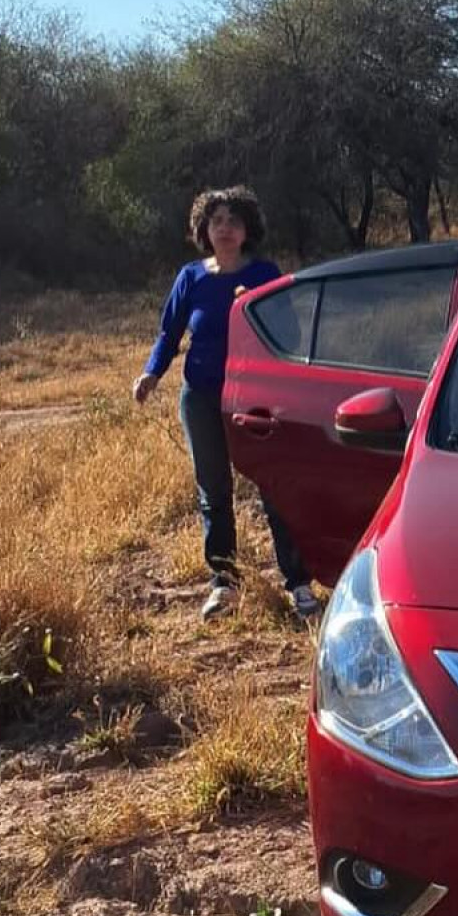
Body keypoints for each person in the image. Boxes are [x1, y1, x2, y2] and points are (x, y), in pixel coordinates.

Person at [133, 186, 320, 622]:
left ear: (247, 228)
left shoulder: (264, 274)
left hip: (255, 399)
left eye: (233, 220)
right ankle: (224, 584)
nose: (225, 228)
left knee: (273, 488)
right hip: (200, 397)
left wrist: (251, 312)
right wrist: (151, 373)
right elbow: (169, 333)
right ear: (204, 228)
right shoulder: (190, 278)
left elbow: (287, 336)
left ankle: (299, 584)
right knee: (213, 493)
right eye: (216, 220)